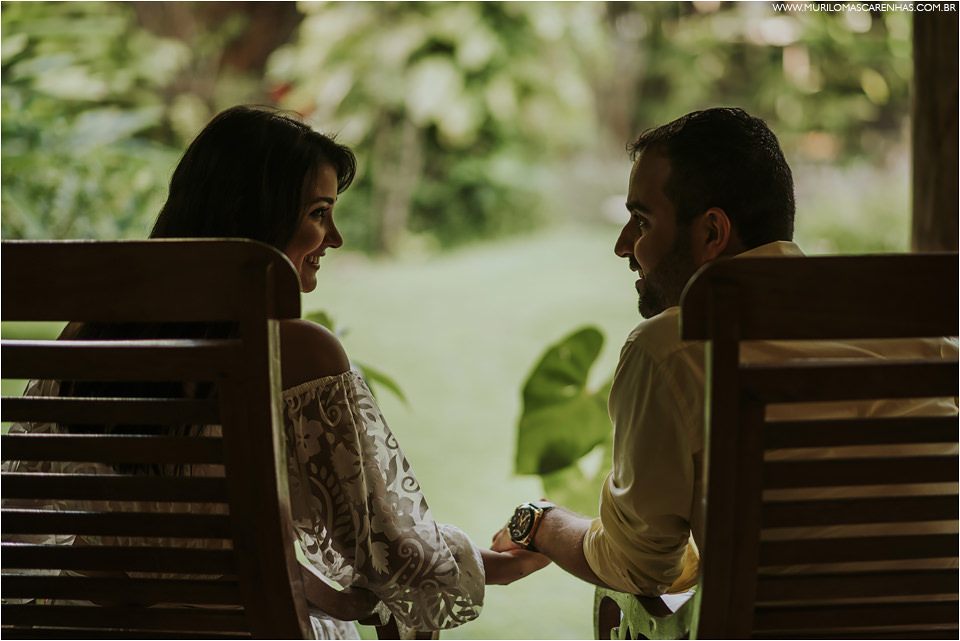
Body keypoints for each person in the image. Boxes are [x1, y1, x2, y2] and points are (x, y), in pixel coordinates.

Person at [4, 105, 549, 639]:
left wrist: (315, 587)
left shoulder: (88, 337)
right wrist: (519, 555)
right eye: (318, 213)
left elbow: (21, 522)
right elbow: (390, 551)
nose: (334, 238)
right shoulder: (295, 354)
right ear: (246, 214)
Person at [492, 107, 958, 598]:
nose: (622, 245)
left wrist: (539, 523)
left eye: (641, 221)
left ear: (712, 232)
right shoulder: (916, 326)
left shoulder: (669, 348)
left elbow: (640, 566)